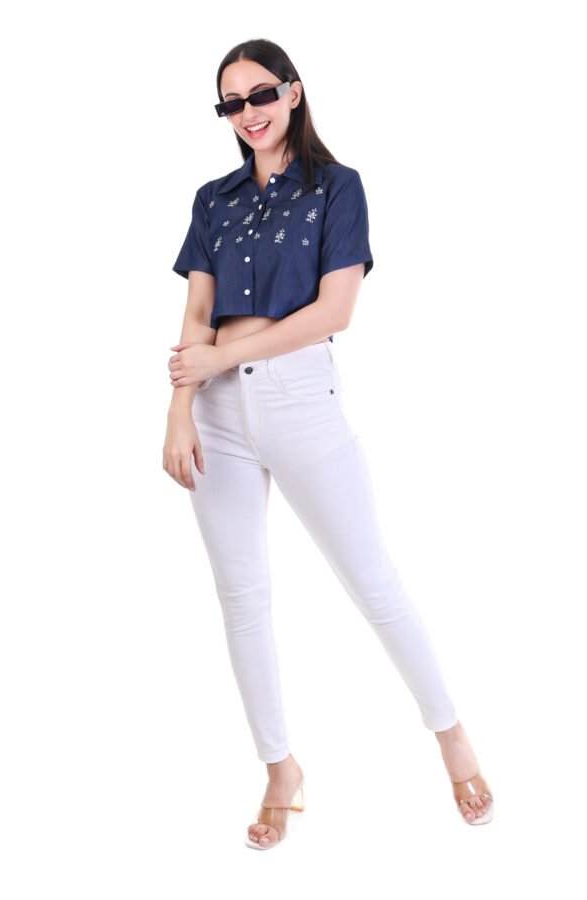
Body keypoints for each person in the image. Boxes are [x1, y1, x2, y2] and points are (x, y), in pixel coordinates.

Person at [162, 38, 494, 850]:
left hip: (300, 399)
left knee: (371, 580)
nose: (249, 113)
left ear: (294, 92)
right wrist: (178, 411)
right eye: (232, 103)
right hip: (214, 411)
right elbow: (196, 317)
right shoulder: (213, 199)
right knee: (242, 597)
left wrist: (223, 357)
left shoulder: (336, 188)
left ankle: (452, 735)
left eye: (260, 94)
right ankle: (280, 767)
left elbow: (334, 311)